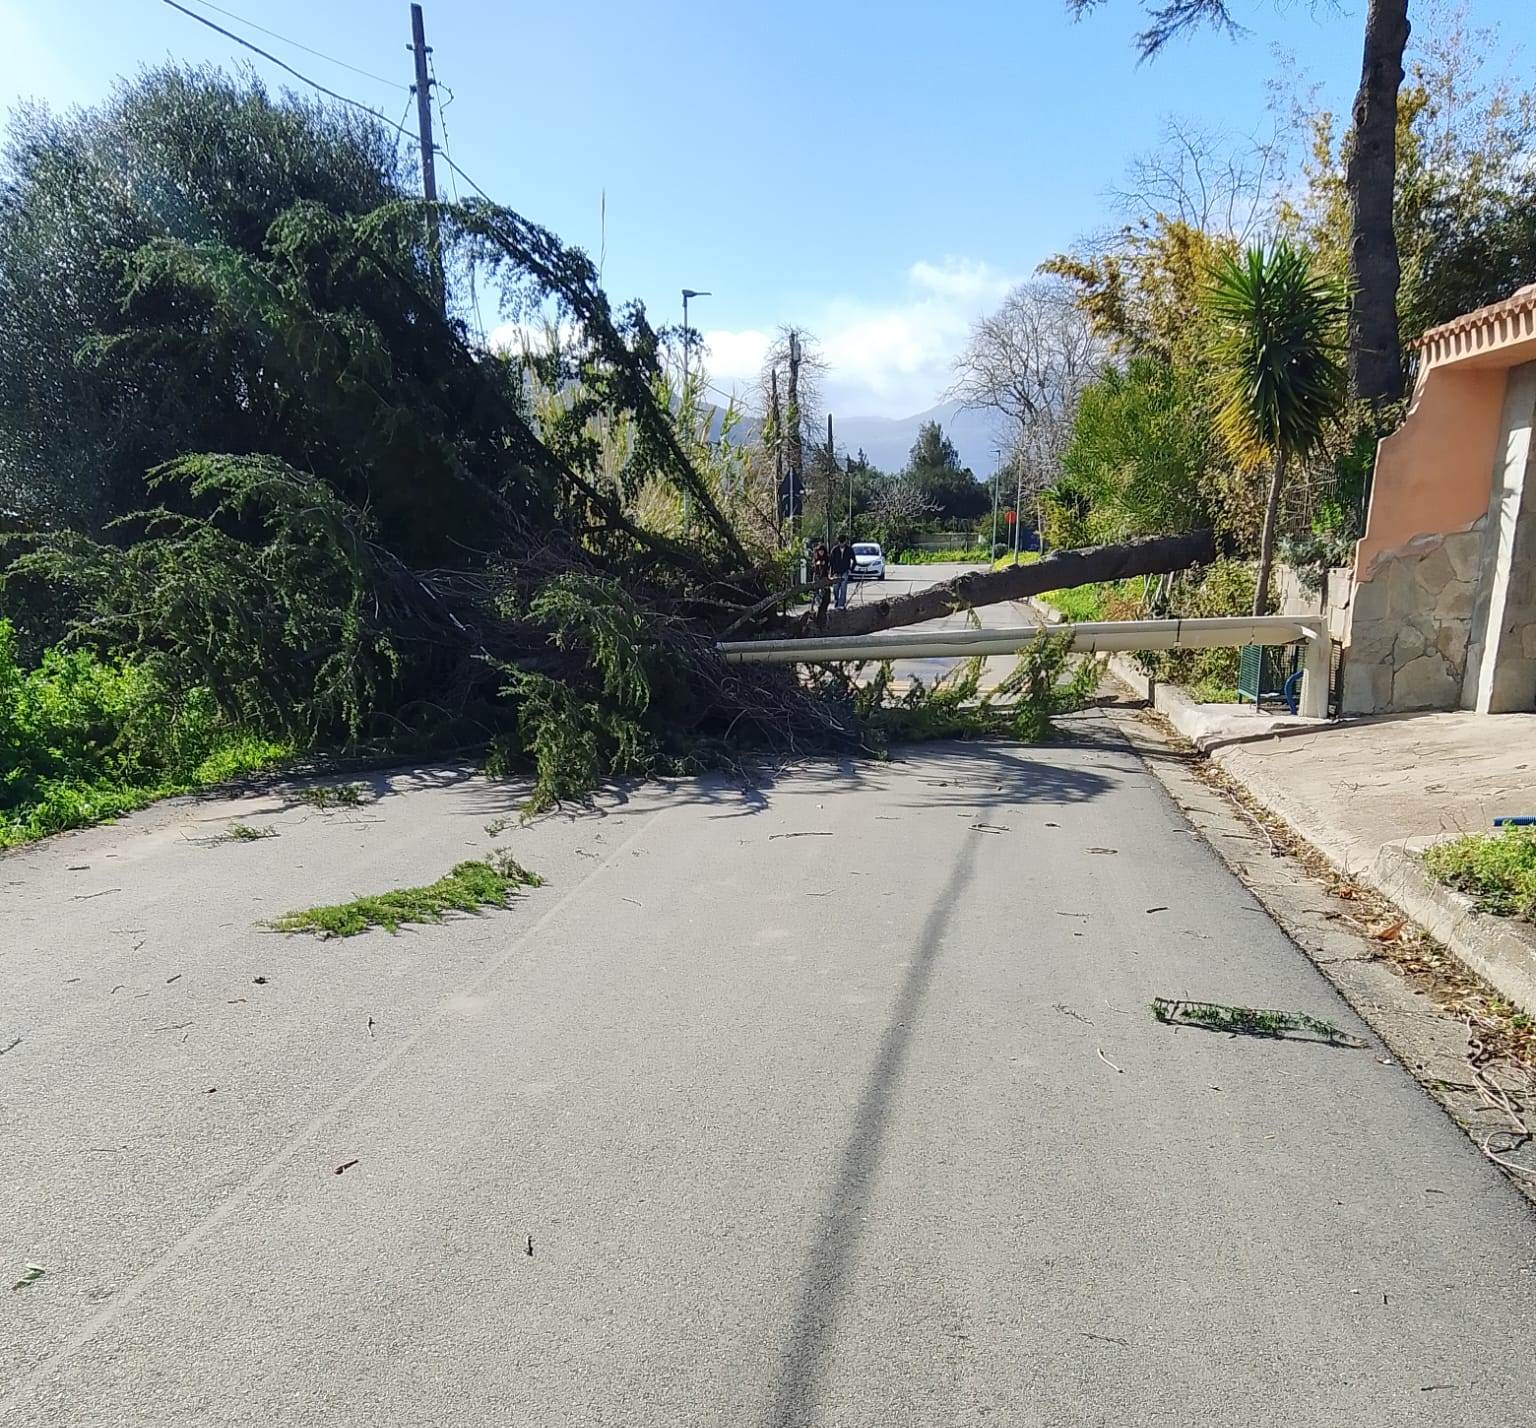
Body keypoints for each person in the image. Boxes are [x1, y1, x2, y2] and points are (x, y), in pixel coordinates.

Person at [829, 534, 854, 610]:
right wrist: (832, 572)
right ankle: (837, 601)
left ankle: (841, 606)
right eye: (840, 542)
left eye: (843, 542)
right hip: (836, 572)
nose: (842, 544)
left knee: (843, 589)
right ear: (838, 542)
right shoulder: (834, 550)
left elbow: (854, 560)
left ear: (845, 542)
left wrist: (851, 569)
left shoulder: (849, 550)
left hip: (845, 572)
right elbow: (831, 562)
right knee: (835, 589)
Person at [811, 541, 830, 623]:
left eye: (822, 551)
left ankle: (822, 607)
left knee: (824, 592)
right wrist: (817, 564)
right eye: (820, 551)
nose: (821, 553)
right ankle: (813, 607)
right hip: (817, 577)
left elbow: (827, 568)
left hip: (824, 577)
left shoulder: (826, 558)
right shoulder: (816, 558)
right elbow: (814, 569)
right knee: (816, 593)